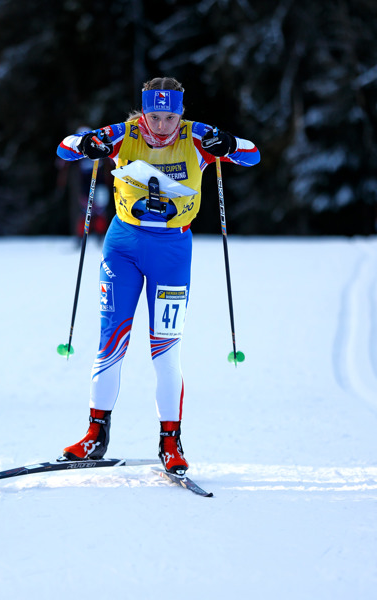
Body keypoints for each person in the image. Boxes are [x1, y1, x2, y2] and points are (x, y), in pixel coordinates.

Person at [54, 76, 260, 475]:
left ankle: (171, 441)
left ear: (181, 113)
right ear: (143, 112)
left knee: (165, 349)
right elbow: (66, 147)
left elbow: (251, 155)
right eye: (153, 116)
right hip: (123, 246)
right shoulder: (125, 134)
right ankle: (95, 435)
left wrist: (230, 145)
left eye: (169, 117)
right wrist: (88, 144)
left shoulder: (197, 137)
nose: (161, 126)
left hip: (171, 251)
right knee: (110, 340)